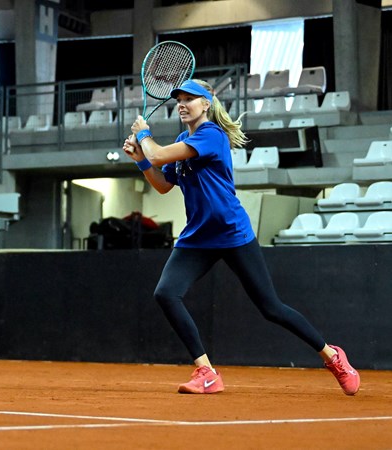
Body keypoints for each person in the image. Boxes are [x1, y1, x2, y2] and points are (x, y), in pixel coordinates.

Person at [122, 79, 360, 395]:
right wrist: (140, 158)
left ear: (206, 103)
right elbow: (163, 184)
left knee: (271, 308)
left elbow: (159, 155)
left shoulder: (212, 136)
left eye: (190, 99)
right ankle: (206, 371)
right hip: (198, 237)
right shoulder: (183, 138)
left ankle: (333, 356)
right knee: (166, 293)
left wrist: (144, 135)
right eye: (179, 99)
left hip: (232, 233)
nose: (182, 103)